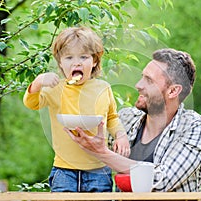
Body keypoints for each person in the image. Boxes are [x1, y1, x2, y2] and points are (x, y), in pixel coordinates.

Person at [64, 48, 201, 192]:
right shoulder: (125, 119)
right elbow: (87, 140)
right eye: (142, 77)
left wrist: (103, 153)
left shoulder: (195, 127)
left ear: (173, 91)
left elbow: (162, 180)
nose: (138, 85)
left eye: (149, 80)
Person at [23, 26, 130, 192]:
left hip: (99, 170)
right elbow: (31, 103)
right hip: (64, 170)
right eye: (69, 57)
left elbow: (112, 118)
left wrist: (121, 135)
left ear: (94, 61)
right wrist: (38, 82)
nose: (76, 62)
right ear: (60, 62)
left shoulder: (103, 88)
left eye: (84, 56)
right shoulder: (55, 88)